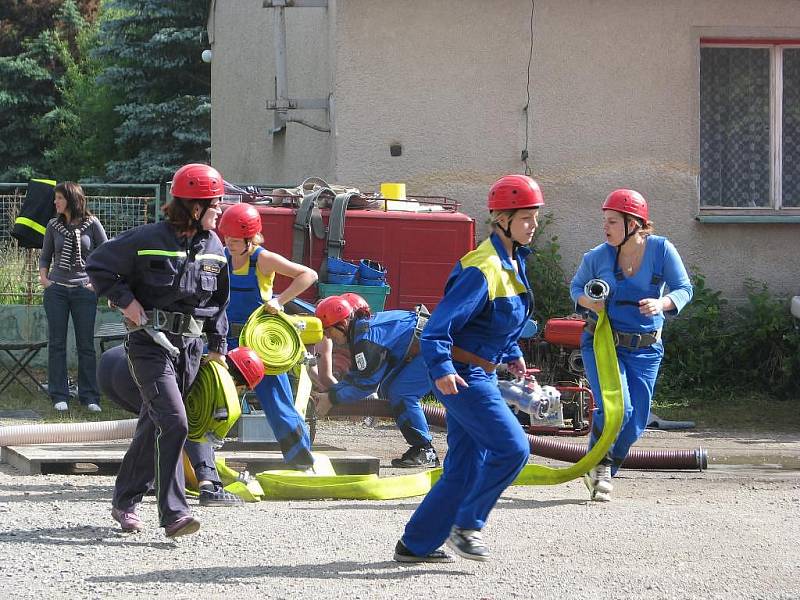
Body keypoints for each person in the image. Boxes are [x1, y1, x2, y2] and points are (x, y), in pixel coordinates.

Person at [395, 174, 542, 563]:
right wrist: (441, 368)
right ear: (502, 219)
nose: (533, 225)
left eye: (535, 217)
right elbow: (438, 328)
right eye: (526, 217)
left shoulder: (512, 262)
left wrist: (510, 351)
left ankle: (416, 544)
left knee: (464, 463)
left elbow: (492, 321)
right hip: (462, 377)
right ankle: (466, 525)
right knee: (513, 448)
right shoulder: (484, 266)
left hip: (483, 372)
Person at [86, 163, 229, 538]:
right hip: (149, 345)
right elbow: (98, 265)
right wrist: (124, 300)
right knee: (175, 421)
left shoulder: (215, 246)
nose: (220, 210)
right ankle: (175, 514)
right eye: (215, 204)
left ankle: (124, 500)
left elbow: (219, 301)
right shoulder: (147, 237)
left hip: (192, 349)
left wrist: (219, 346)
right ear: (194, 208)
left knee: (156, 422)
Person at [570, 189, 692, 502]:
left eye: (612, 221)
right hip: (603, 343)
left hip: (647, 349)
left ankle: (605, 465)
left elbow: (684, 288)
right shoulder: (596, 257)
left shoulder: (661, 250)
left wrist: (663, 302)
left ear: (634, 223)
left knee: (636, 420)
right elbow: (575, 288)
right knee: (617, 407)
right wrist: (589, 303)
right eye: (605, 221)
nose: (605, 227)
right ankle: (600, 465)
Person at [97, 344, 264, 506]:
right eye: (241, 390)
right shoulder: (206, 377)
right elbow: (195, 431)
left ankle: (152, 481)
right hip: (129, 372)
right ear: (236, 382)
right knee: (184, 419)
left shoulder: (203, 359)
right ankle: (209, 486)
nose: (238, 394)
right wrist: (208, 477)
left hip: (111, 366)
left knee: (160, 423)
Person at [217, 202, 318, 469]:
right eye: (226, 237)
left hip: (259, 344)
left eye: (236, 240)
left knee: (277, 403)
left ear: (251, 238)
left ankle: (302, 461)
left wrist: (280, 300)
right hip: (227, 340)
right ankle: (202, 461)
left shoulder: (263, 258)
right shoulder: (221, 256)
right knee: (215, 397)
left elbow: (309, 275)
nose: (229, 243)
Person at [312, 296, 440, 469]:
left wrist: (332, 399)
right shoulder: (359, 333)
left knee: (401, 393)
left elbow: (366, 386)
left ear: (341, 324)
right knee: (389, 389)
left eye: (327, 330)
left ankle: (425, 450)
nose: (326, 335)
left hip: (433, 345)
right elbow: (356, 376)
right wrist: (330, 393)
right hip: (426, 342)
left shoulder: (366, 339)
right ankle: (422, 447)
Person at [39, 182, 108, 412]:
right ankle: (59, 395)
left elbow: (107, 254)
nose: (55, 202)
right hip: (56, 290)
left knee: (86, 345)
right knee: (57, 344)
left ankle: (89, 396)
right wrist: (45, 281)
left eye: (59, 198)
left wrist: (94, 283)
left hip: (83, 291)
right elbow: (45, 257)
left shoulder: (92, 224)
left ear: (71, 199)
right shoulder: (53, 225)